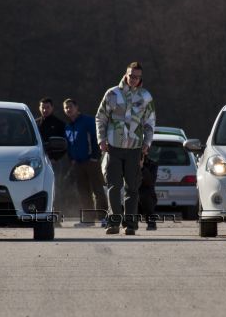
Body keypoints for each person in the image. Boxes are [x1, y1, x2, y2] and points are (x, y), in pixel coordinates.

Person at [95, 61, 156, 235]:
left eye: (137, 77)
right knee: (114, 186)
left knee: (132, 187)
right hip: (114, 146)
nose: (134, 80)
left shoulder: (145, 96)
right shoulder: (112, 94)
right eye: (131, 76)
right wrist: (102, 139)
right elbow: (101, 117)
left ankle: (130, 224)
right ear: (126, 74)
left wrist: (147, 143)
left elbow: (150, 121)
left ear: (141, 78)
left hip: (135, 148)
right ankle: (114, 223)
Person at [62, 98, 106, 226]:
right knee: (83, 191)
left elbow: (97, 137)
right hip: (78, 163)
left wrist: (95, 156)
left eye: (71, 106)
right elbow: (70, 145)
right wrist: (72, 159)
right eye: (66, 108)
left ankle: (103, 218)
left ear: (77, 107)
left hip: (91, 161)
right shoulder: (68, 126)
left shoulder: (88, 121)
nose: (68, 109)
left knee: (98, 190)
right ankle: (88, 219)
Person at [139, 153, 159, 231]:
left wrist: (142, 168)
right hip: (131, 193)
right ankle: (129, 223)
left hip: (145, 195)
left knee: (147, 194)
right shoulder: (127, 163)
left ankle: (151, 222)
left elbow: (150, 182)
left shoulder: (152, 164)